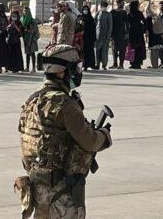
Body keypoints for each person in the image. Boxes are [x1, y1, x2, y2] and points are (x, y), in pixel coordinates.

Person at [16, 44, 112, 218]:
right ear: (62, 72)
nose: (78, 73)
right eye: (75, 68)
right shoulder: (65, 105)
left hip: (36, 187)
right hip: (60, 192)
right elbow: (89, 141)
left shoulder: (33, 99)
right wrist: (104, 136)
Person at [146, 3, 163, 69]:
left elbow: (146, 28)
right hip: (158, 36)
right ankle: (161, 64)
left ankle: (154, 65)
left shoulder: (148, 18)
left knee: (153, 52)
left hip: (152, 36)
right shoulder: (157, 16)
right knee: (158, 51)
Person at [109, 0, 128, 69]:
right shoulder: (112, 12)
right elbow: (110, 23)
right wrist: (110, 34)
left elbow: (127, 23)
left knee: (122, 50)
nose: (122, 5)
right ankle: (115, 64)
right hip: (114, 34)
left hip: (122, 34)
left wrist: (127, 33)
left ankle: (121, 64)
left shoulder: (124, 13)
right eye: (121, 3)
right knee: (114, 50)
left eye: (123, 3)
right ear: (118, 4)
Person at [127, 0, 146, 69]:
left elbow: (127, 23)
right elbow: (145, 22)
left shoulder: (130, 14)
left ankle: (133, 62)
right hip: (139, 33)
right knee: (139, 48)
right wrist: (142, 27)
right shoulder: (139, 13)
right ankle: (138, 63)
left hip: (132, 32)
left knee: (133, 47)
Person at [95, 1, 112, 70]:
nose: (103, 8)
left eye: (104, 6)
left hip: (105, 36)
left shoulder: (108, 15)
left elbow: (110, 26)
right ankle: (97, 64)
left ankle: (104, 65)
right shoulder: (98, 13)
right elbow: (95, 23)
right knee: (97, 51)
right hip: (98, 36)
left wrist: (108, 36)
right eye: (102, 6)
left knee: (104, 51)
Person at [21, 7, 40, 72]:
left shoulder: (32, 20)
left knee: (32, 53)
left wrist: (28, 31)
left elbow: (34, 31)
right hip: (26, 38)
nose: (25, 12)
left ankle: (34, 68)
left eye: (26, 11)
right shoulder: (22, 19)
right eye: (24, 11)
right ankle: (27, 68)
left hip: (32, 39)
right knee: (27, 53)